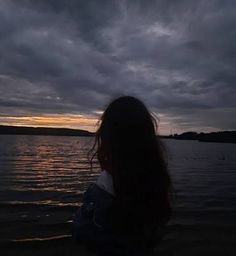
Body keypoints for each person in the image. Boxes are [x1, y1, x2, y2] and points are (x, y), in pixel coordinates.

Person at [72, 96, 172, 255]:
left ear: (107, 135)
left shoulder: (106, 183)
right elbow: (158, 228)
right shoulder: (157, 178)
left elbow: (80, 231)